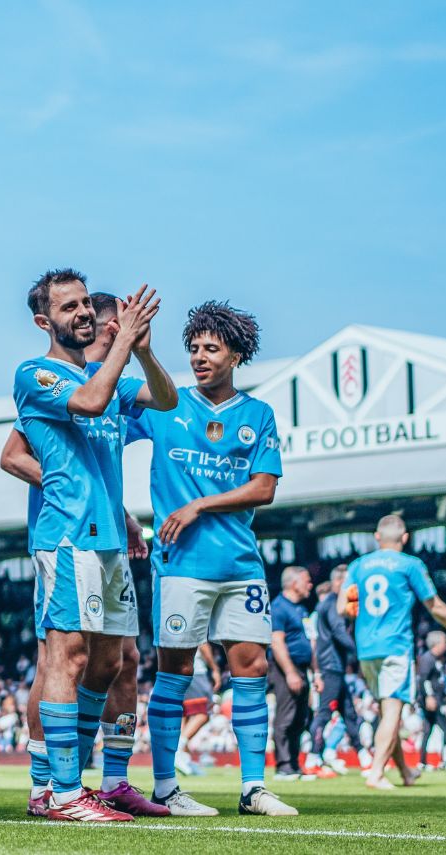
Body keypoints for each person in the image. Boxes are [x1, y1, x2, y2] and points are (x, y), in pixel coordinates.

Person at [0, 289, 172, 819]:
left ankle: (91, 783)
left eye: (84, 305)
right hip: (66, 536)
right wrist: (62, 485)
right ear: (43, 320)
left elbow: (166, 400)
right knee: (63, 657)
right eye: (69, 306)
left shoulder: (107, 376)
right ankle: (58, 789)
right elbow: (78, 411)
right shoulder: (36, 373)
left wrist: (143, 350)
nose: (81, 314)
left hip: (108, 538)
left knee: (114, 660)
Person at [133, 300, 295, 817]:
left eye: (212, 348)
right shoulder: (166, 403)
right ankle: (164, 787)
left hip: (241, 565)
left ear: (236, 356)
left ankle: (253, 788)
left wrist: (199, 505)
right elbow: (99, 429)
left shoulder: (258, 414)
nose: (200, 357)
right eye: (194, 348)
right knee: (175, 672)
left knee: (253, 668)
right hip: (181, 565)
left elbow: (264, 488)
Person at [338, 514, 446, 790]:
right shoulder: (410, 564)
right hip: (395, 646)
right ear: (405, 537)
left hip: (366, 648)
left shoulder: (358, 565)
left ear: (377, 537)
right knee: (392, 712)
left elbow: (342, 608)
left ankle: (405, 772)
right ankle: (376, 773)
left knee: (387, 711)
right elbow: (434, 606)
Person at [310, 566, 366, 772]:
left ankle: (364, 756)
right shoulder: (333, 604)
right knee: (325, 713)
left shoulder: (327, 604)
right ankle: (313, 757)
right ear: (340, 582)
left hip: (335, 666)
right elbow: (338, 632)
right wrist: (360, 652)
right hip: (330, 667)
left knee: (349, 713)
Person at [269, 567, 316, 780]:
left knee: (299, 718)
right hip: (286, 668)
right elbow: (276, 642)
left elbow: (310, 641)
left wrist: (316, 672)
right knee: (286, 716)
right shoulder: (279, 607)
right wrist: (290, 672)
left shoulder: (301, 609)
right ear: (294, 583)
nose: (310, 585)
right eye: (307, 581)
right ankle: (284, 766)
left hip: (302, 668)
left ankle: (295, 765)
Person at [175, 644, 220, 776]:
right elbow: (202, 643)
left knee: (184, 715)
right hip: (195, 670)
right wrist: (215, 668)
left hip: (176, 670)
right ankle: (178, 750)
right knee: (204, 713)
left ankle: (185, 758)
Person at [417, 630, 446, 770]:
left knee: (428, 731)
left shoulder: (435, 659)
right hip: (432, 702)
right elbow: (423, 680)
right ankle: (444, 761)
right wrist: (429, 696)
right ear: (436, 643)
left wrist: (445, 696)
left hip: (436, 699)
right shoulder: (428, 659)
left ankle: (423, 761)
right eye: (444, 642)